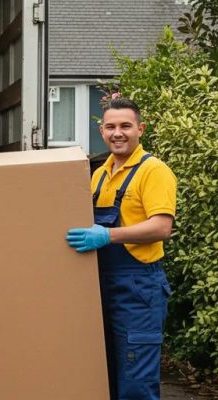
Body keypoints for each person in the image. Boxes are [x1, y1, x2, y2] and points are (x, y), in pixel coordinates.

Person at [66, 97, 176, 400]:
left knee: (136, 382)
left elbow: (161, 227)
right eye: (111, 127)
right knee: (103, 377)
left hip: (138, 289)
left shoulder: (153, 171)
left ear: (140, 129)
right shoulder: (99, 174)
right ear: (102, 131)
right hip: (100, 283)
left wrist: (108, 236)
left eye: (125, 126)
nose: (118, 133)